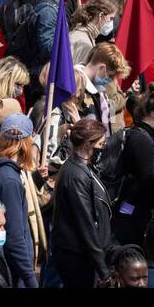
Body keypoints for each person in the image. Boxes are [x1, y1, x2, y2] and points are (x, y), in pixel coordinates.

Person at [0, 113, 45, 288]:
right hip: (11, 271)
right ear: (26, 143)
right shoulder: (8, 180)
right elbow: (14, 236)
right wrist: (30, 278)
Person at [49, 118, 113, 287]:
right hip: (77, 257)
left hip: (83, 254)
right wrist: (102, 270)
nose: (103, 148)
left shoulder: (84, 168)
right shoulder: (75, 175)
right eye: (101, 143)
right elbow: (85, 224)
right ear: (87, 145)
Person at [110, 87, 154, 245]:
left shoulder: (142, 135)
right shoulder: (141, 140)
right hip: (132, 215)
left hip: (131, 210)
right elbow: (148, 181)